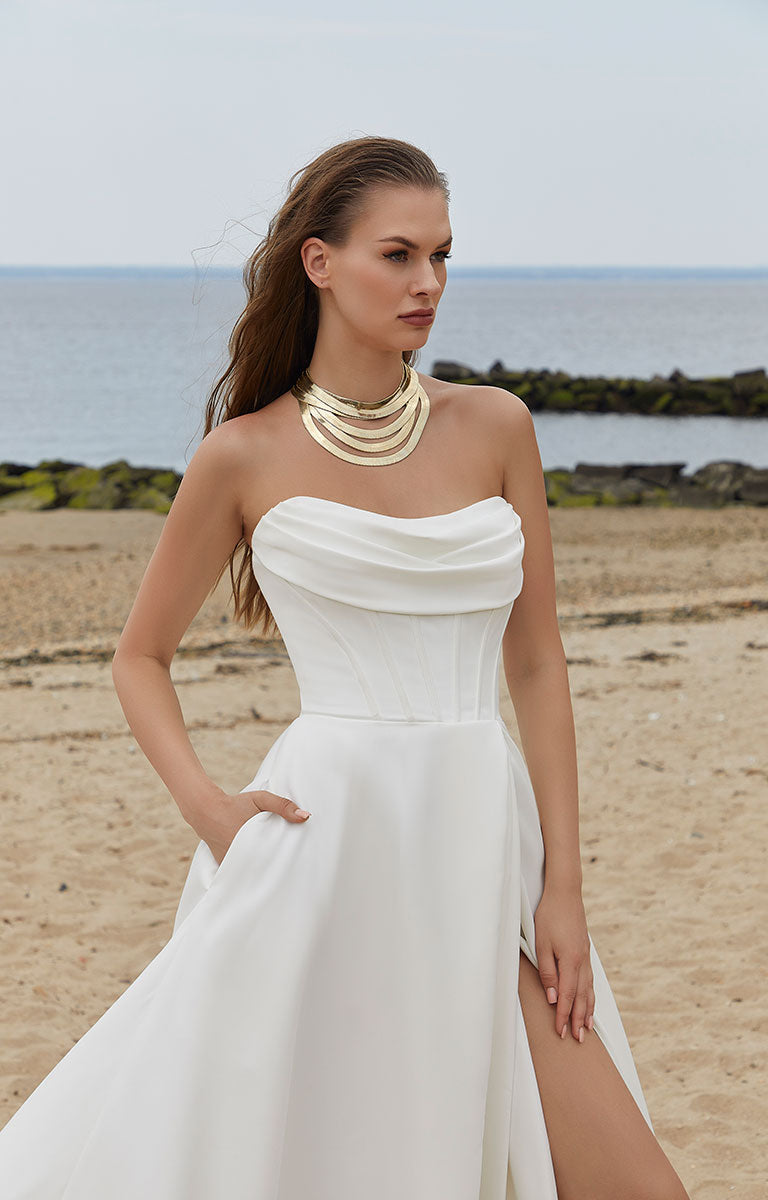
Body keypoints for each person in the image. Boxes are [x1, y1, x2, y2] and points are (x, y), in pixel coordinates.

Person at [0, 135, 689, 1199]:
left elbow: (538, 664)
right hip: (321, 846)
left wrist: (565, 887)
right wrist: (213, 812)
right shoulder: (242, 456)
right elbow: (138, 657)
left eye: (444, 257)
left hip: (480, 834)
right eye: (399, 255)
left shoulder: (497, 425)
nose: (429, 285)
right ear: (320, 263)